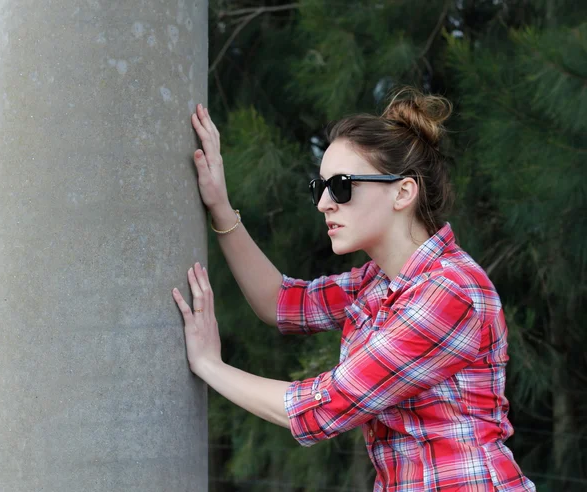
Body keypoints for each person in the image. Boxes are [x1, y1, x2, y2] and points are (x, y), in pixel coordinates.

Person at [172, 88, 536, 492]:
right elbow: (282, 302)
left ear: (403, 192)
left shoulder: (451, 291)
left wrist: (209, 365)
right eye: (321, 187)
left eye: (342, 186)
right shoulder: (377, 282)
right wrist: (220, 206)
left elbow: (324, 408)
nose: (324, 203)